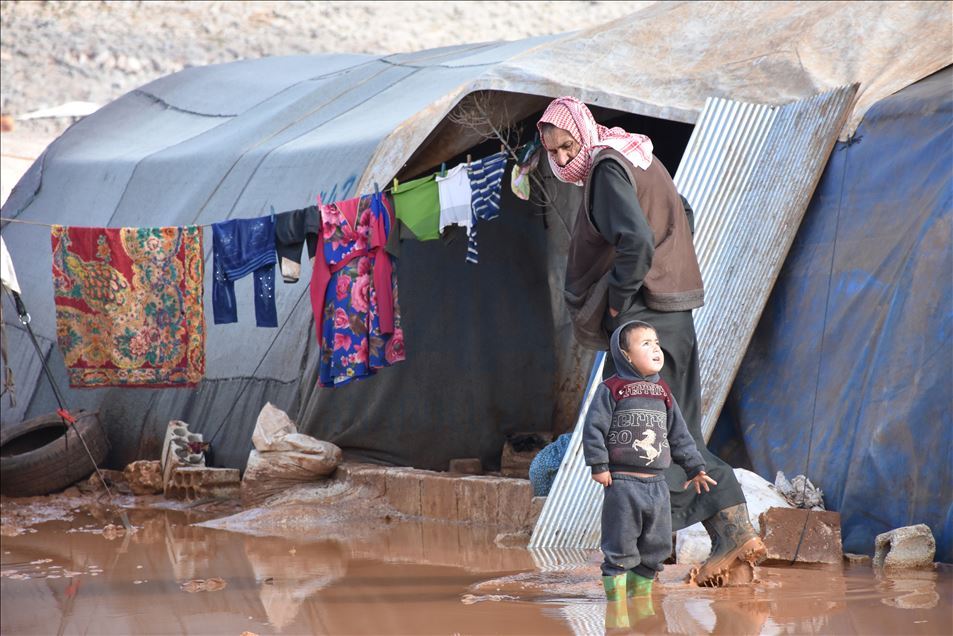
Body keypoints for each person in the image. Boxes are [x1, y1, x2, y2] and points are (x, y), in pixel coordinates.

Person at [537, 96, 766, 587]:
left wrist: (620, 302)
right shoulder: (638, 155)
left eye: (566, 146)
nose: (560, 160)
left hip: (643, 321)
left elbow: (636, 242)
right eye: (552, 152)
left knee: (634, 441)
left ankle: (642, 562)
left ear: (585, 133)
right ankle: (730, 533)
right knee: (667, 435)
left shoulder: (606, 168)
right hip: (672, 316)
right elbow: (682, 212)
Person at [584, 321, 715, 609]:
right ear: (626, 355)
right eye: (646, 343)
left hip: (657, 485)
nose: (656, 348)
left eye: (656, 342)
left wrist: (695, 467)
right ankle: (616, 610)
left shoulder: (663, 392)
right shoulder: (612, 389)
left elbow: (679, 434)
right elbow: (593, 428)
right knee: (620, 545)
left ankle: (641, 605)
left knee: (655, 547)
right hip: (623, 485)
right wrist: (598, 465)